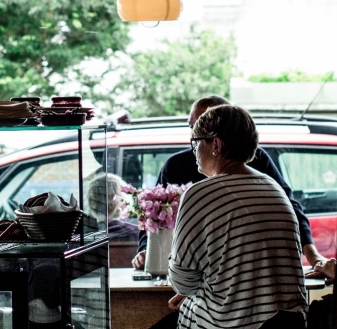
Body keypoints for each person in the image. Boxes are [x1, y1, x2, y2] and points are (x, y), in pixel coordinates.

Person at [133, 95, 326, 270]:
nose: (192, 137)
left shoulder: (258, 163)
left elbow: (291, 207)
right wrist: (146, 250)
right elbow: (154, 215)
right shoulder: (176, 166)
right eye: (191, 127)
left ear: (219, 138)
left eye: (199, 129)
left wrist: (313, 256)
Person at [168, 105, 307, 329]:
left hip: (233, 322)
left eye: (196, 142)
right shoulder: (272, 187)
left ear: (216, 144)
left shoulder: (201, 193)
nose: (193, 150)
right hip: (287, 321)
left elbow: (182, 281)